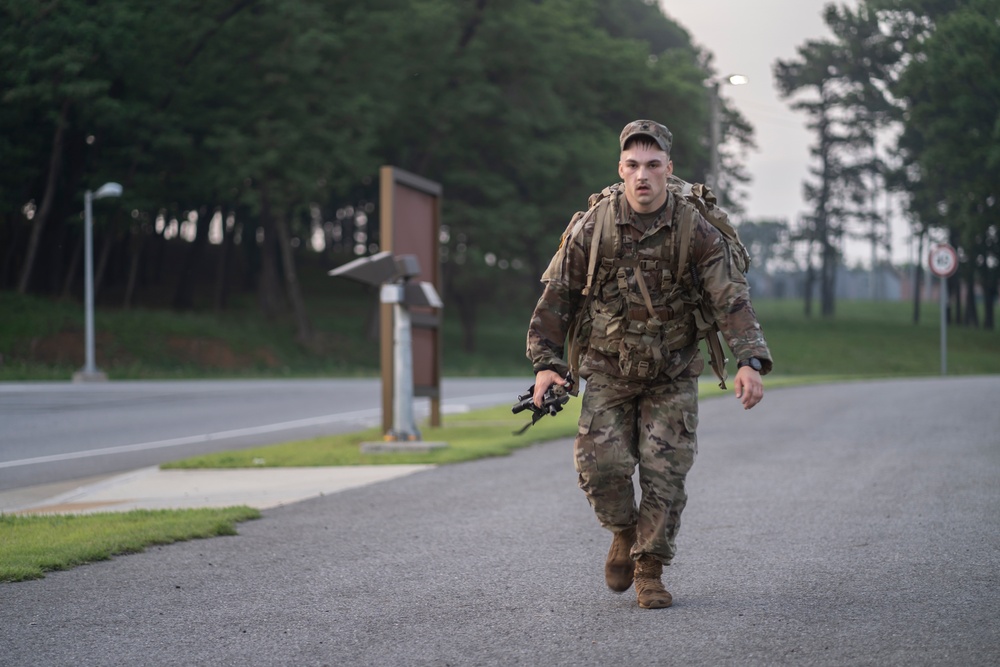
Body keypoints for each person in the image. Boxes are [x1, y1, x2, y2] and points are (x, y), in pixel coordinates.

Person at [525, 119, 772, 609]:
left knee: (665, 474)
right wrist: (546, 363)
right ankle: (623, 529)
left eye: (653, 165)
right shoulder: (593, 228)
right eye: (633, 165)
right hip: (607, 370)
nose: (643, 175)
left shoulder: (692, 227)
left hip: (672, 373)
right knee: (600, 468)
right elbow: (559, 297)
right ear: (621, 170)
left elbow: (730, 297)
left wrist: (749, 360)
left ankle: (649, 568)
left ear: (668, 170)